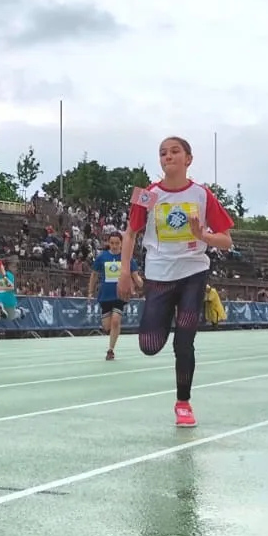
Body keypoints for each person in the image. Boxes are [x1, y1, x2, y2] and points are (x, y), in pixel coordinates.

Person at [118, 136, 233, 427]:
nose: (168, 157)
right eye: (162, 153)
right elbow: (130, 234)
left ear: (188, 159)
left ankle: (183, 403)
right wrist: (124, 273)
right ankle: (168, 311)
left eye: (174, 152)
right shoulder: (147, 194)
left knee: (185, 340)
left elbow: (227, 241)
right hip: (158, 274)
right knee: (149, 344)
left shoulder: (202, 194)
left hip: (194, 271)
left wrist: (203, 236)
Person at [90, 229, 140, 360]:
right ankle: (113, 334)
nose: (114, 245)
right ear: (108, 243)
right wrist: (90, 291)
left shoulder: (127, 258)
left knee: (116, 321)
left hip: (120, 295)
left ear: (121, 243)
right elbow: (94, 275)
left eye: (117, 243)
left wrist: (140, 284)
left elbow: (136, 276)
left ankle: (110, 350)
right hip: (105, 295)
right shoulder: (101, 257)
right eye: (112, 243)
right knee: (107, 326)